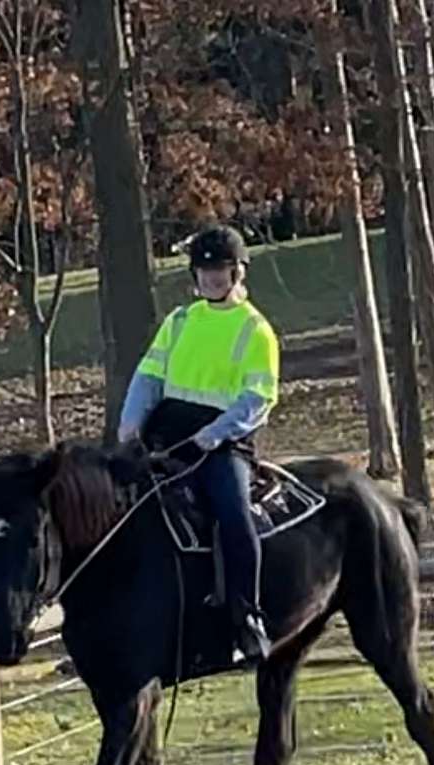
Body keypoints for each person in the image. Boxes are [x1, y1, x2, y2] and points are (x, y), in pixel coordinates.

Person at [117, 224, 280, 663]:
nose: (209, 278)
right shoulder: (179, 321)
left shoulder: (256, 329)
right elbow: (148, 377)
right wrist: (129, 429)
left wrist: (211, 437)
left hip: (223, 444)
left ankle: (247, 617)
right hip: (165, 436)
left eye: (219, 270)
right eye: (204, 271)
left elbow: (257, 398)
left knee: (233, 512)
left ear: (237, 273)